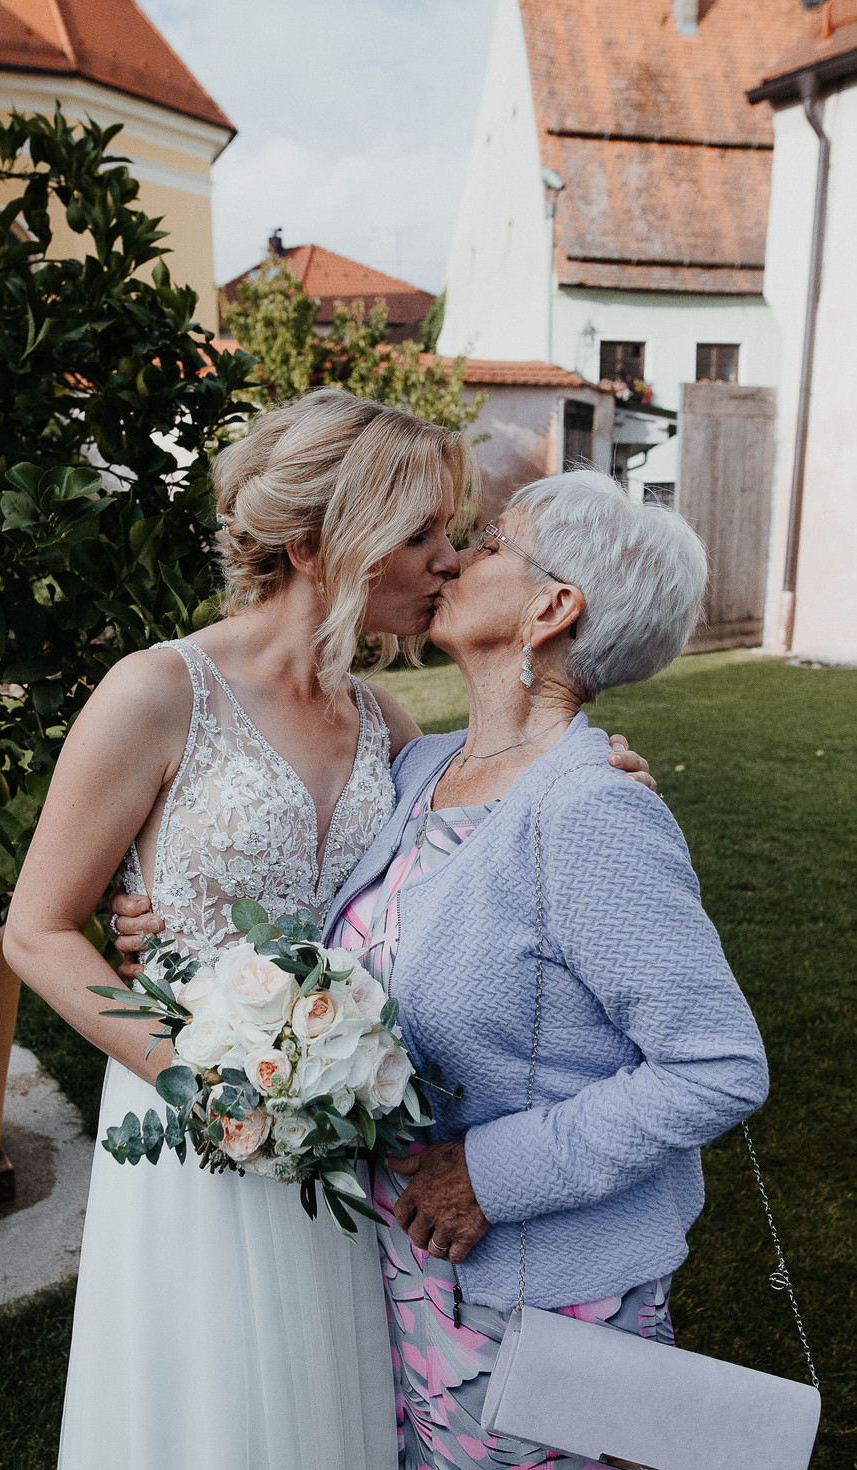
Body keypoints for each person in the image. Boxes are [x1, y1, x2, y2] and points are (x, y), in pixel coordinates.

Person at [5, 389, 655, 1470]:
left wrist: (596, 763)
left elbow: (484, 809)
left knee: (332, 1407)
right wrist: (206, 1084)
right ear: (318, 545)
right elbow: (35, 932)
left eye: (449, 533)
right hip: (193, 1126)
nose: (447, 560)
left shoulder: (382, 723)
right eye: (420, 534)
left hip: (343, 1137)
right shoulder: (156, 692)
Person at [319, 471, 770, 1470]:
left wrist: (489, 1171)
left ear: (551, 606)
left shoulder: (591, 810)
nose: (455, 556)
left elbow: (714, 1068)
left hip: (535, 1299)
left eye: (489, 542)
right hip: (407, 1271)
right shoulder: (418, 769)